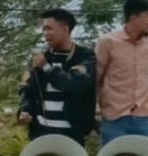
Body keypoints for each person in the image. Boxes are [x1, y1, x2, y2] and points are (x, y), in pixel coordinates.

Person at [18, 8, 97, 145]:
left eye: (49, 29)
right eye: (43, 30)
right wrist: (24, 111)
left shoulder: (85, 56)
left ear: (65, 29)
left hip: (72, 134)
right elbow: (27, 90)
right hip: (41, 133)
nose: (45, 34)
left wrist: (47, 68)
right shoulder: (41, 58)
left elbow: (73, 85)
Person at [96, 0, 148, 145]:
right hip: (114, 116)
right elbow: (96, 77)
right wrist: (95, 109)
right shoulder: (108, 42)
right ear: (134, 17)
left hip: (144, 116)